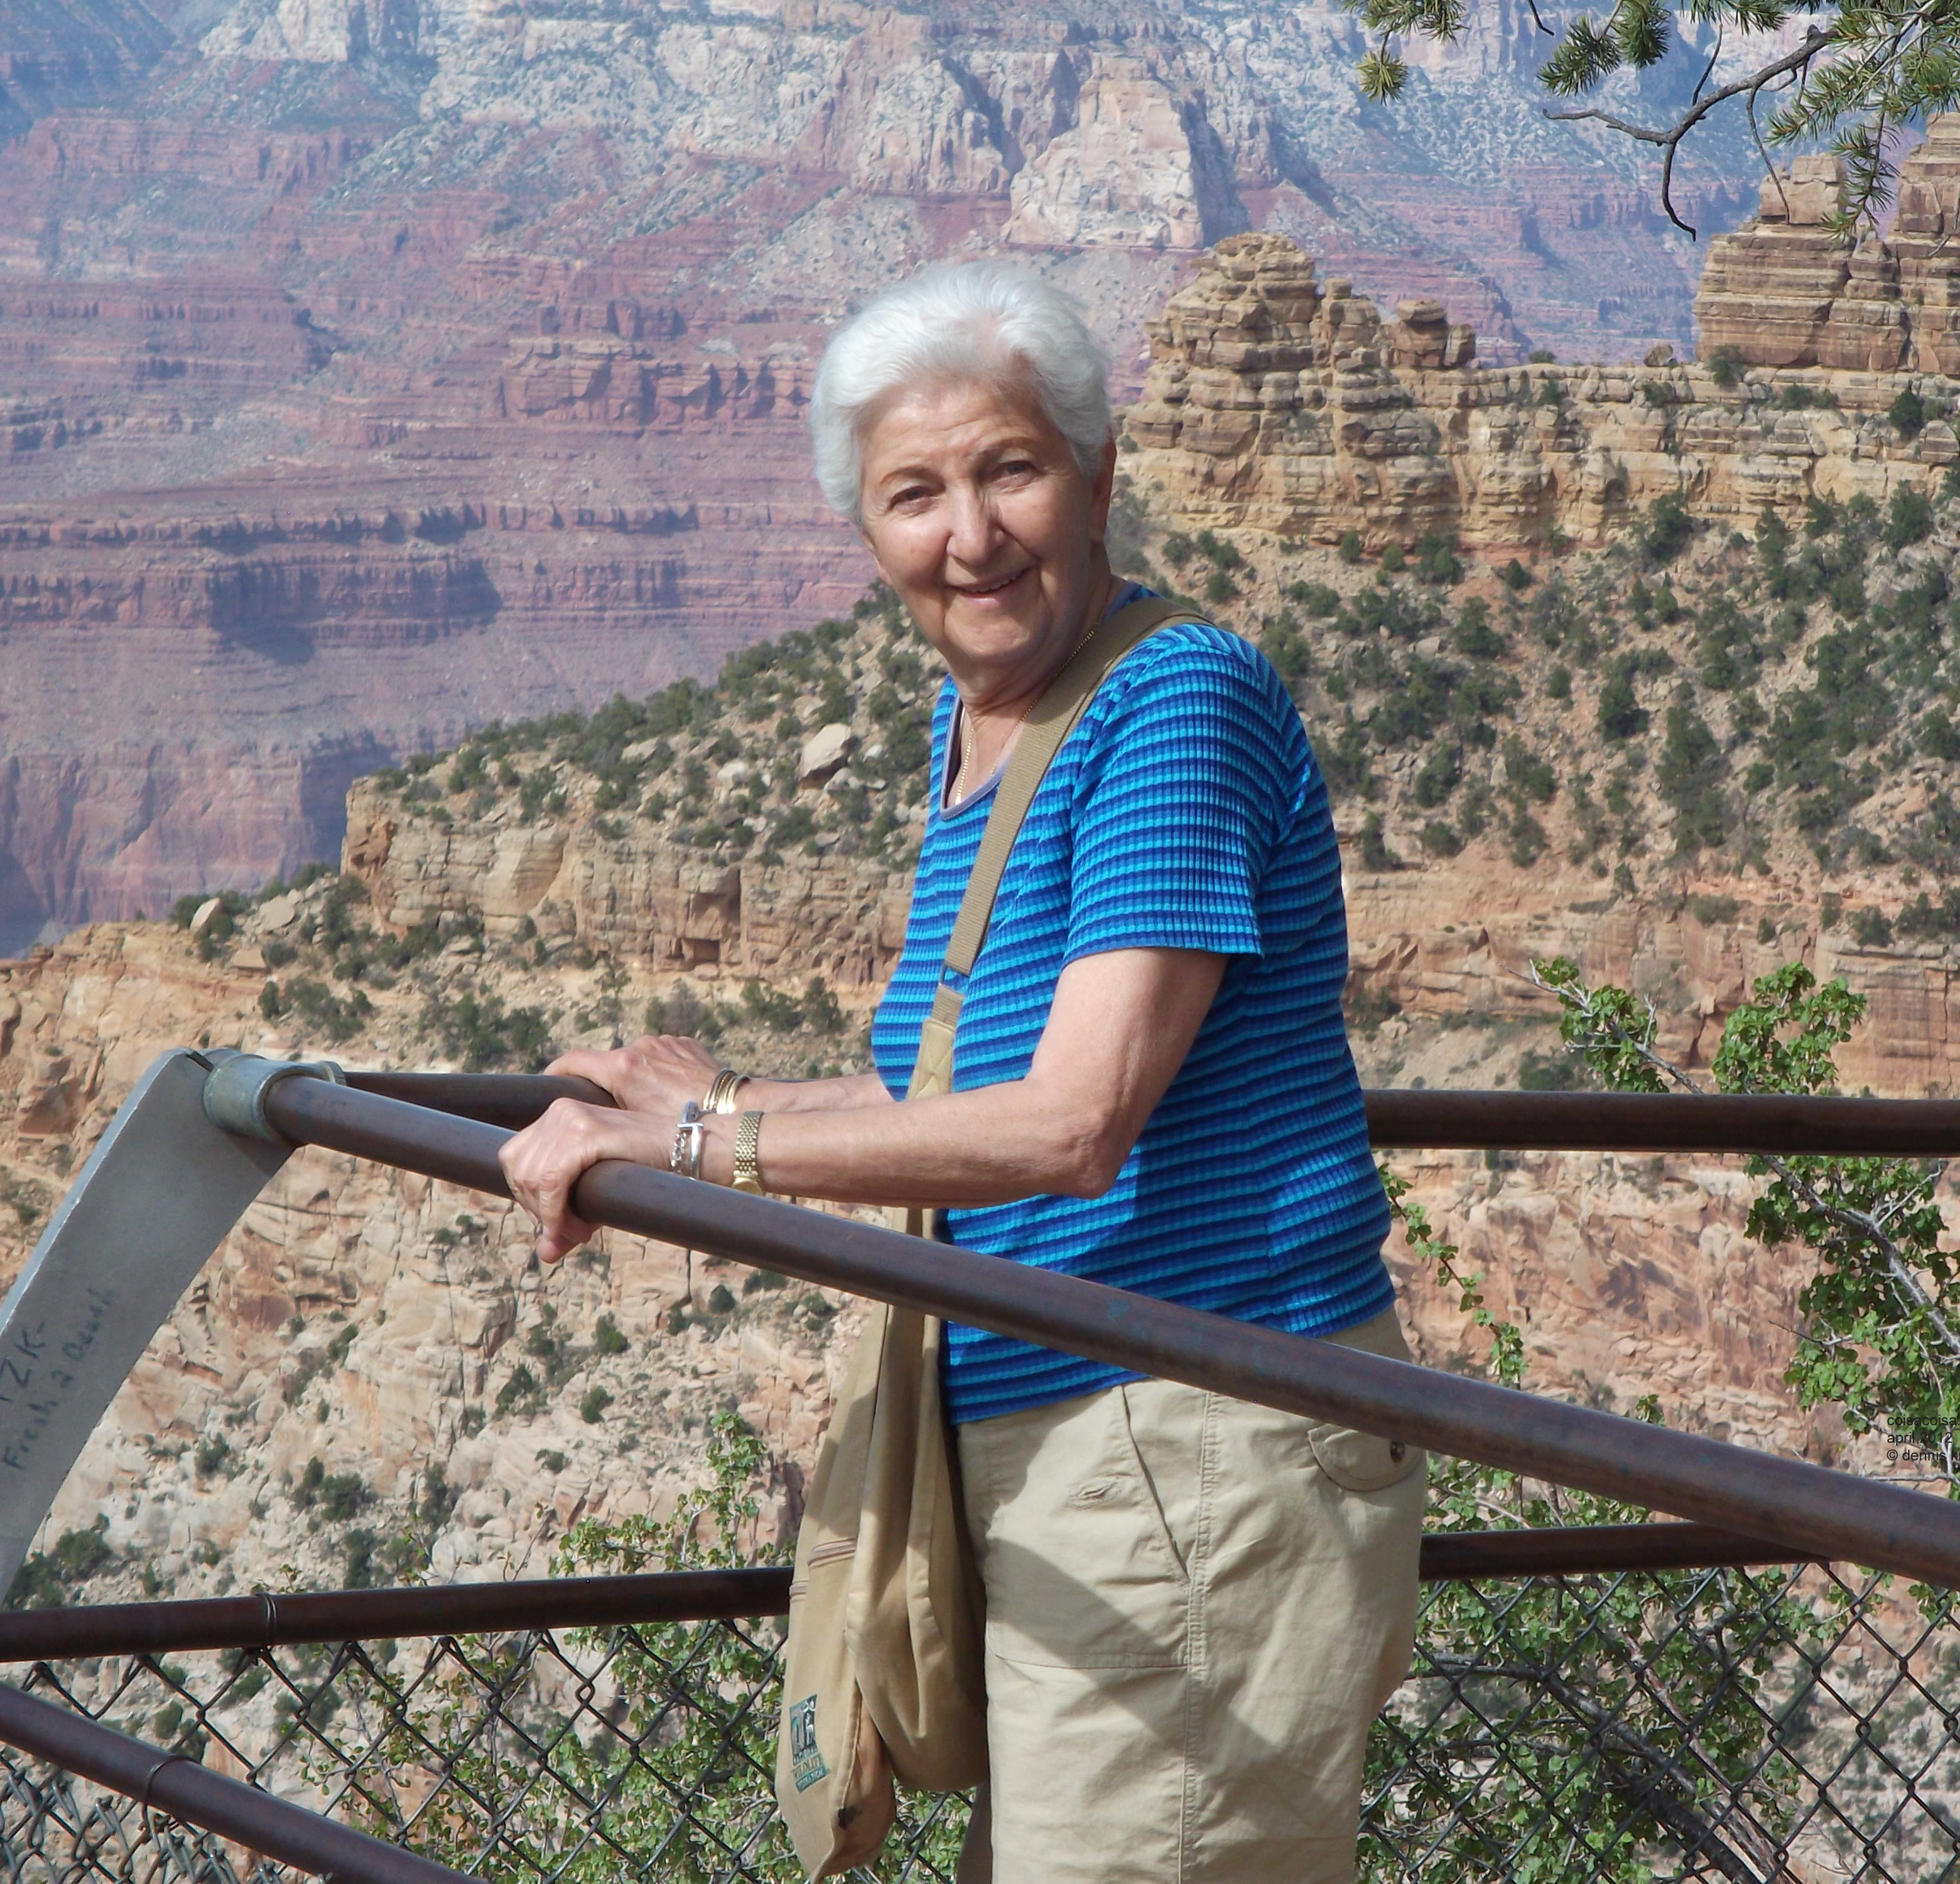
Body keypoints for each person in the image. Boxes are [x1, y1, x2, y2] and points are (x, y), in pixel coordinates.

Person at [496, 260, 1424, 1884]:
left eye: (1010, 470)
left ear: (1099, 476)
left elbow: (1075, 1124)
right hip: (1071, 1438)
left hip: (1192, 1444)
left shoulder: (1172, 697)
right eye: (913, 495)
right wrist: (692, 1120)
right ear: (867, 537)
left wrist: (716, 1145)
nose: (970, 536)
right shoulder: (988, 719)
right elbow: (963, 1084)